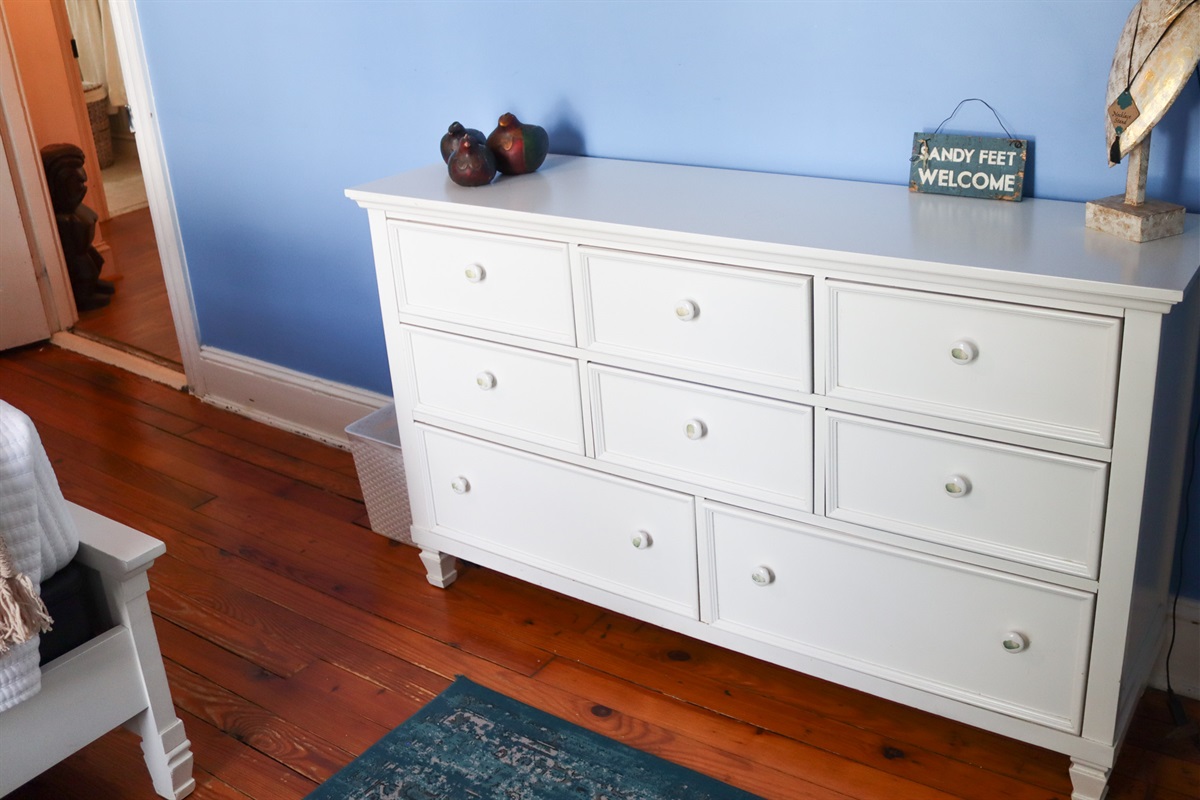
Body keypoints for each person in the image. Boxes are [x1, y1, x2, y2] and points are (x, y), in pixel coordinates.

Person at [40, 143, 114, 311]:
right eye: (75, 184)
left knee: (96, 262)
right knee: (84, 271)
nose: (82, 187)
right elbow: (73, 242)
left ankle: (94, 284)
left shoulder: (74, 210)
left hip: (85, 250)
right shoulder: (62, 219)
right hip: (78, 254)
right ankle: (84, 295)